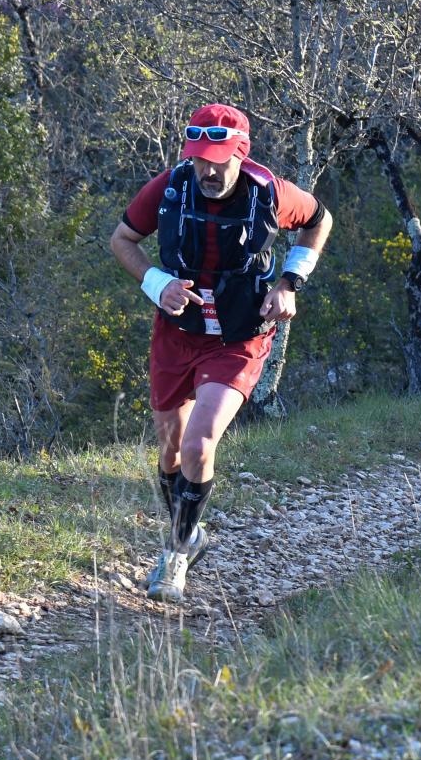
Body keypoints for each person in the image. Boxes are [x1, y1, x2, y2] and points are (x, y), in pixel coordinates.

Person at [110, 103, 332, 603]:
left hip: (238, 334)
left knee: (199, 444)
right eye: (198, 158)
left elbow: (320, 221)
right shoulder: (170, 186)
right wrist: (156, 281)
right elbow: (122, 239)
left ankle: (176, 552)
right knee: (171, 446)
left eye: (216, 159)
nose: (206, 169)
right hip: (178, 331)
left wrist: (290, 283)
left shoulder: (270, 191)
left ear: (240, 151)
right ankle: (190, 532)